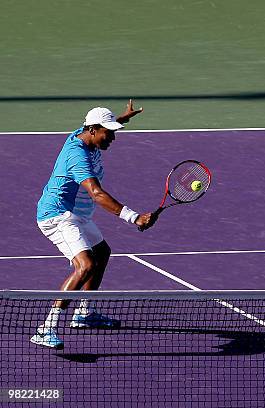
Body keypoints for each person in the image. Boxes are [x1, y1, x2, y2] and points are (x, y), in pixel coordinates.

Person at [31, 100, 157, 349]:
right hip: (57, 216)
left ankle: (85, 313)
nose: (112, 138)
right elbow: (97, 194)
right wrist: (133, 217)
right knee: (86, 265)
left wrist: (121, 119)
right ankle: (46, 329)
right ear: (92, 131)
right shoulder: (77, 156)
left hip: (76, 215)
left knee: (102, 252)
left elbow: (98, 126)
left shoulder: (85, 133)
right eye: (108, 133)